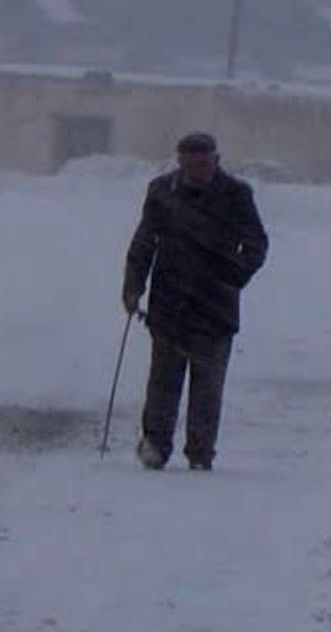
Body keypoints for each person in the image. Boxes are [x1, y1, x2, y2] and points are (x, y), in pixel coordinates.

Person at [121, 131, 269, 471]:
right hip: (169, 301)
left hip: (216, 304)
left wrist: (233, 276)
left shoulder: (236, 195)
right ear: (180, 161)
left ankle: (201, 453)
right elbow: (144, 241)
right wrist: (133, 287)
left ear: (216, 159)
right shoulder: (161, 191)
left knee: (208, 386)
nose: (197, 170)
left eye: (204, 163)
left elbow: (257, 244)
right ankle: (155, 446)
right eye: (190, 164)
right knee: (162, 381)